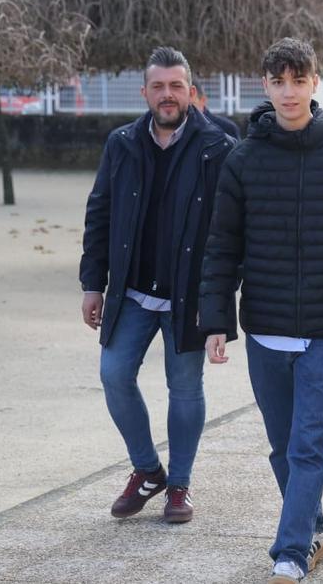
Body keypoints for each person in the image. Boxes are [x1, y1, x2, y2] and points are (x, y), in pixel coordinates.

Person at [198, 37, 323, 584]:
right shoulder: (242, 159)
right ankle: (314, 527)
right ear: (266, 85)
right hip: (264, 330)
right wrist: (215, 319)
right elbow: (222, 246)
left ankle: (290, 551)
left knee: (308, 448)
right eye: (278, 81)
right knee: (283, 449)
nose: (289, 91)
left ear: (315, 82)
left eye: (298, 80)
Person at [79, 46, 236, 524]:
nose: (167, 95)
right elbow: (99, 213)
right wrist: (93, 283)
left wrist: (218, 310)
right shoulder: (121, 142)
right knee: (113, 374)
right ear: (145, 92)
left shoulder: (220, 146)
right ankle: (148, 470)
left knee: (184, 389)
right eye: (158, 87)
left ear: (190, 91)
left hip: (188, 297)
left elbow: (231, 234)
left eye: (176, 86)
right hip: (131, 292)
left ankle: (180, 485)